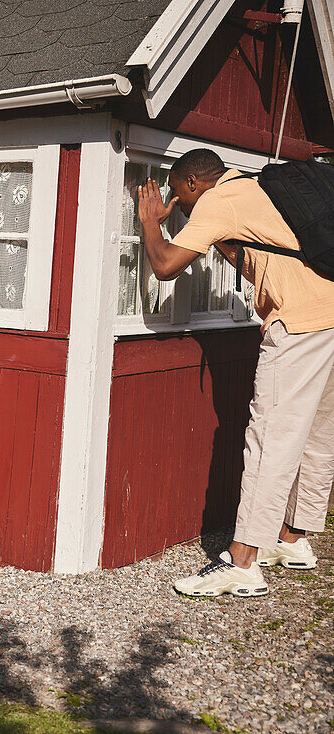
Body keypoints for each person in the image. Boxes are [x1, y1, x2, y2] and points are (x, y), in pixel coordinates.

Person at [137, 148, 334, 598]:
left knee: (270, 437)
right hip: (330, 312)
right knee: (316, 435)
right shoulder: (257, 188)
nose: (178, 205)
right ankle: (292, 539)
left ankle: (243, 562)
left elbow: (166, 266)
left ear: (191, 183)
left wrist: (151, 223)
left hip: (301, 320)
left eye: (176, 195)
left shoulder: (218, 201)